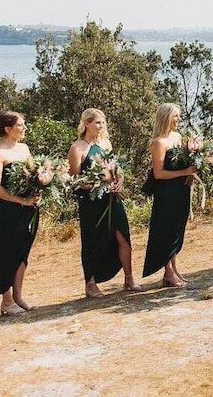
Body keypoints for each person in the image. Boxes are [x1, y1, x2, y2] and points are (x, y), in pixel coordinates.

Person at [67, 108, 141, 297]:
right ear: (87, 124)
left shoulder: (105, 143)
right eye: (98, 122)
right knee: (92, 241)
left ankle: (129, 278)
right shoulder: (77, 148)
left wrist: (119, 181)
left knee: (123, 236)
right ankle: (90, 283)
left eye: (103, 122)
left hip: (112, 199)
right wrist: (96, 182)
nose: (101, 126)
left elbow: (116, 168)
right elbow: (73, 180)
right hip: (91, 203)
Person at [0, 111, 40, 316]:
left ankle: (18, 297)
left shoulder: (24, 148)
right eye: (20, 125)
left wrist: (39, 189)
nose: (25, 128)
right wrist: (21, 200)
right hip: (8, 211)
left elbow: (33, 175)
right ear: (8, 129)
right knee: (5, 254)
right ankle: (6, 302)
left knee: (22, 252)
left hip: (29, 210)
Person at [142, 103, 198, 287]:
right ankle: (168, 272)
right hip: (166, 193)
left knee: (177, 230)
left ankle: (173, 269)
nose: (179, 119)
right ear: (166, 117)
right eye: (175, 116)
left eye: (179, 116)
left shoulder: (177, 137)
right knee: (166, 230)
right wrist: (184, 172)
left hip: (182, 190)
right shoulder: (158, 142)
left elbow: (183, 161)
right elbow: (158, 174)